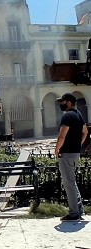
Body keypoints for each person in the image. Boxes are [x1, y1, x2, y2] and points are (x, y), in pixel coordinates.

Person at [55, 92, 87, 221]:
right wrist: (78, 144)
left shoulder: (68, 116)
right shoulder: (79, 115)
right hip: (75, 153)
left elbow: (62, 135)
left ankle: (74, 213)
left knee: (68, 183)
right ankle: (79, 210)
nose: (61, 104)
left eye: (62, 102)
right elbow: (85, 131)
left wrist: (57, 149)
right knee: (72, 182)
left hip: (67, 154)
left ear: (68, 102)